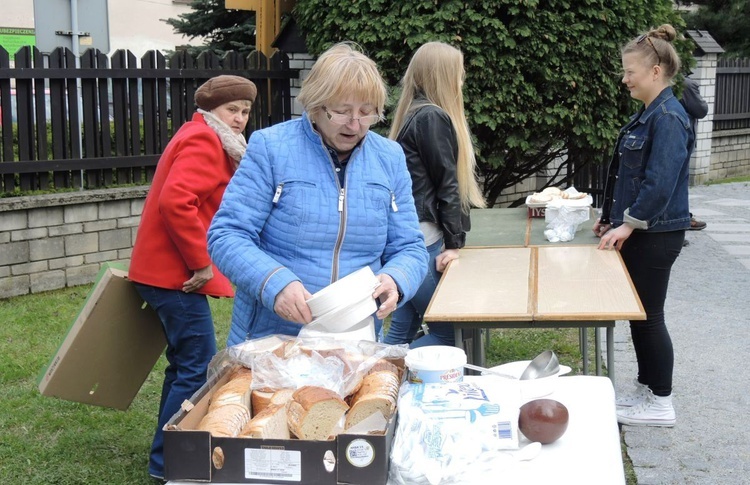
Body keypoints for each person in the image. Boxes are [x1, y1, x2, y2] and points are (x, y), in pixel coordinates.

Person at [207, 42, 429, 346]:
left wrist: (396, 279)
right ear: (315, 105)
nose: (355, 124)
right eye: (342, 111)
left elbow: (410, 247)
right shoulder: (271, 147)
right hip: (272, 339)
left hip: (355, 340)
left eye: (367, 112)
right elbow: (227, 234)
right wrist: (275, 283)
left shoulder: (389, 158)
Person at [128, 74, 257, 481]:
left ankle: (164, 460)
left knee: (184, 365)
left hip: (165, 271)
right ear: (210, 110)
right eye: (231, 110)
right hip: (176, 274)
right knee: (198, 365)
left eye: (245, 111)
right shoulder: (205, 140)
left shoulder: (202, 133)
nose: (238, 119)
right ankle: (173, 464)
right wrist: (201, 262)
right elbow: (176, 201)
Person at [593, 25, 692, 427]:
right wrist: (609, 219)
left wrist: (628, 225)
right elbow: (625, 178)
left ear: (655, 71)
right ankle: (647, 391)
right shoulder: (649, 115)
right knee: (639, 315)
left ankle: (662, 402)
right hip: (643, 232)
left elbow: (659, 184)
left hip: (657, 235)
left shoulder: (668, 117)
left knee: (649, 316)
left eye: (630, 71)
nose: (624, 78)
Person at [383, 42, 486, 348]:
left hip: (410, 236)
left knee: (401, 331)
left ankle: (378, 387)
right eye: (459, 71)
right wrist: (453, 244)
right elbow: (447, 185)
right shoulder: (431, 117)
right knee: (450, 332)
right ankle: (378, 375)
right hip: (423, 241)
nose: (462, 78)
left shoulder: (413, 114)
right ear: (443, 75)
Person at [680, 75, 709, 233]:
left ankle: (681, 218)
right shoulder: (686, 84)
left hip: (682, 136)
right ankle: (679, 221)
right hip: (683, 137)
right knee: (679, 182)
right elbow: (701, 109)